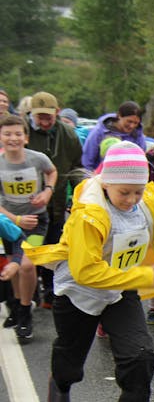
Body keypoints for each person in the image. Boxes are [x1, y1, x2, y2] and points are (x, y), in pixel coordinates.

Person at [26, 142, 154, 402]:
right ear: (106, 183)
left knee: (141, 354)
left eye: (137, 192)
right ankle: (61, 382)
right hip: (78, 289)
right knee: (71, 354)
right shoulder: (89, 214)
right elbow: (88, 273)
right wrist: (147, 278)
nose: (131, 201)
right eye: (124, 193)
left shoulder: (149, 199)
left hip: (121, 288)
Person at [0, 114, 57, 342]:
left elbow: (51, 171)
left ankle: (25, 313)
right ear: (0, 137)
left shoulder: (37, 158)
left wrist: (47, 192)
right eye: (7, 134)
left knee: (26, 263)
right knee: (15, 265)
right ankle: (17, 303)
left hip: (36, 222)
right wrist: (15, 220)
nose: (13, 138)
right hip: (9, 224)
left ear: (25, 137)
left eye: (17, 134)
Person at [24, 92, 83, 308]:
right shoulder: (23, 131)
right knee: (31, 246)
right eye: (39, 116)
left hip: (57, 201)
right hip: (28, 205)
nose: (44, 121)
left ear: (57, 113)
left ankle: (50, 291)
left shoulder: (68, 134)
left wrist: (82, 191)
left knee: (52, 246)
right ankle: (29, 292)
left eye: (48, 116)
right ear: (32, 114)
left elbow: (77, 165)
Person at [81, 101, 147, 170]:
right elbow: (87, 161)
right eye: (129, 121)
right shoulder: (99, 132)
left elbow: (142, 161)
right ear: (119, 115)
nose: (132, 126)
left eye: (136, 123)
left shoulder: (138, 136)